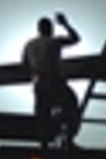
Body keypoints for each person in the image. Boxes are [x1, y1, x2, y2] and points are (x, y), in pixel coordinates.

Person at [22, 13, 81, 144]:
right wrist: (65, 24)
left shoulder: (30, 45)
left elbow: (24, 65)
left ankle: (45, 144)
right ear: (50, 29)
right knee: (72, 107)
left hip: (39, 84)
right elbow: (76, 39)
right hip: (55, 82)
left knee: (43, 115)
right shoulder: (54, 42)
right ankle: (68, 139)